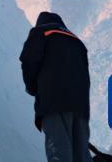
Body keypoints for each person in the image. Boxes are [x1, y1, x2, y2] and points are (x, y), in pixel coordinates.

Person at [19, 11, 91, 162]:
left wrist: (32, 88)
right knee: (81, 154)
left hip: (54, 101)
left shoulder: (41, 32)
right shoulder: (78, 42)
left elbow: (29, 62)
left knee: (59, 150)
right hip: (81, 106)